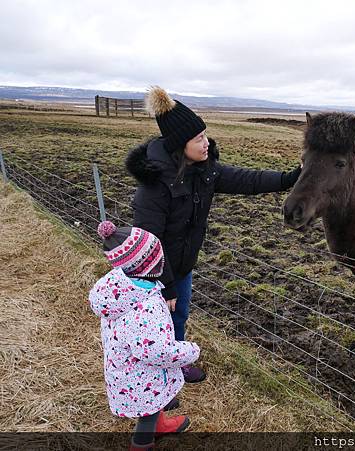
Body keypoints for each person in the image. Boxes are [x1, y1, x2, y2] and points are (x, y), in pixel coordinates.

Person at [125, 86, 301, 383]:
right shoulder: (154, 186)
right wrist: (165, 286)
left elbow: (247, 179)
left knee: (177, 318)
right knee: (154, 326)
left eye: (204, 135)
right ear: (181, 144)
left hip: (182, 265)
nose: (206, 143)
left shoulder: (205, 171)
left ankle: (173, 366)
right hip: (152, 273)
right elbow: (148, 244)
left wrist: (287, 179)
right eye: (199, 138)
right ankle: (152, 383)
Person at [89, 221, 200, 451]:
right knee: (147, 414)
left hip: (128, 370)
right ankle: (141, 444)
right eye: (159, 257)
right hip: (141, 378)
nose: (163, 260)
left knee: (154, 402)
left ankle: (160, 426)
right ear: (148, 265)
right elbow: (156, 351)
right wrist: (189, 351)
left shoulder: (123, 290)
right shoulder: (144, 307)